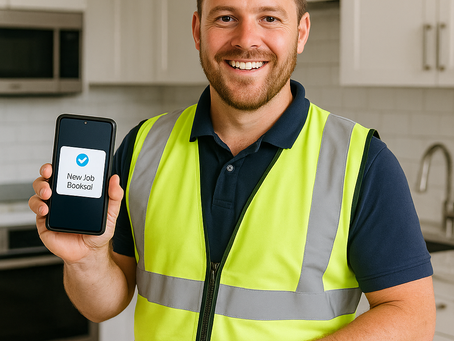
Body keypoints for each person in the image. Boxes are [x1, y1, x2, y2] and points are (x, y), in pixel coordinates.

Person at [29, 0, 436, 339]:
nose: (246, 40)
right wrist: (85, 261)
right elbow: (103, 305)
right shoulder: (143, 146)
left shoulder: (361, 161)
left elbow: (413, 317)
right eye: (225, 18)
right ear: (197, 31)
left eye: (270, 17)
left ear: (301, 32)